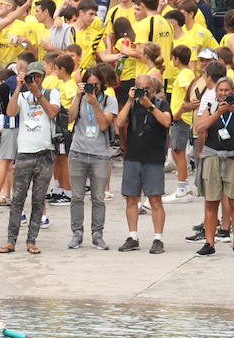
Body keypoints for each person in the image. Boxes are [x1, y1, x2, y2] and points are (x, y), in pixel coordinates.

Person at [0, 61, 59, 254]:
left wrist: (37, 92)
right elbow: (10, 112)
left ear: (43, 76)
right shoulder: (22, 95)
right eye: (32, 76)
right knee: (17, 199)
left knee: (38, 200)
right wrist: (18, 87)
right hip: (24, 152)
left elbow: (52, 112)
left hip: (45, 153)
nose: (35, 79)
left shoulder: (51, 93)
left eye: (38, 76)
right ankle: (11, 241)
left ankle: (31, 241)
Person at [193, 75, 234, 259]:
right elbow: (200, 128)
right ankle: (209, 243)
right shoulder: (210, 108)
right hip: (213, 157)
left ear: (233, 92)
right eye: (221, 90)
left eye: (227, 90)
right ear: (216, 93)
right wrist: (217, 114)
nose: (224, 93)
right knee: (211, 201)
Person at [115, 74, 172, 254]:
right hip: (133, 156)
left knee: (155, 199)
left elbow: (166, 121)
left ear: (153, 89)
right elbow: (119, 122)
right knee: (131, 198)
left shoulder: (161, 103)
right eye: (140, 87)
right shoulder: (132, 104)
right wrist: (130, 100)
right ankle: (133, 236)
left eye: (146, 88)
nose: (143, 91)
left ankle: (158, 238)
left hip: (154, 158)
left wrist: (150, 105)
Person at [67, 71, 118, 250]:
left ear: (102, 84)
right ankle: (77, 234)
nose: (93, 88)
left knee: (98, 198)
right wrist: (78, 95)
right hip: (78, 151)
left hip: (99, 154)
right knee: (77, 197)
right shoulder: (81, 98)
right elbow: (70, 118)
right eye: (89, 84)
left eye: (96, 84)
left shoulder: (109, 100)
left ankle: (98, 235)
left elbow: (104, 124)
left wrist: (95, 102)